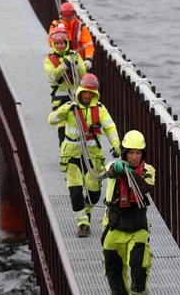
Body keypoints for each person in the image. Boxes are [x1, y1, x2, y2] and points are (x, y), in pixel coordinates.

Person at [47, 73, 121, 237]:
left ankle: (86, 210)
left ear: (95, 94)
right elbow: (51, 120)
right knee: (75, 191)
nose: (87, 95)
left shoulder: (100, 109)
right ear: (80, 91)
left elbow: (110, 127)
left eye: (91, 93)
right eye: (85, 92)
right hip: (72, 155)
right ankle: (83, 224)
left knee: (94, 194)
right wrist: (65, 109)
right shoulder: (70, 107)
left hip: (92, 156)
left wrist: (116, 144)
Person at [101, 130, 156, 295]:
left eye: (138, 153)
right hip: (114, 226)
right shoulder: (113, 166)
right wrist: (118, 168)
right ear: (124, 153)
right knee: (114, 273)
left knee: (139, 268)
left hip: (137, 228)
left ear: (143, 154)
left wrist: (130, 172)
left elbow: (145, 187)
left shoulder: (149, 171)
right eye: (130, 152)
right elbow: (109, 170)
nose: (134, 157)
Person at [44, 25, 86, 147]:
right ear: (53, 44)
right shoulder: (49, 60)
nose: (59, 46)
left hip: (75, 97)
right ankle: (64, 154)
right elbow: (53, 76)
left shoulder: (75, 56)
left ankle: (79, 153)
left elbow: (82, 74)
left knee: (78, 127)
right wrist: (66, 64)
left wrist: (76, 64)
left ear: (66, 43)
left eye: (61, 43)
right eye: (56, 43)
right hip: (59, 101)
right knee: (62, 129)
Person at [47, 2, 95, 71]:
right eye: (65, 14)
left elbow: (88, 45)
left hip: (77, 62)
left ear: (73, 14)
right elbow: (50, 42)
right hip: (60, 61)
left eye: (69, 14)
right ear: (61, 15)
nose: (67, 17)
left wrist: (88, 59)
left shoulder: (80, 27)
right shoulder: (55, 25)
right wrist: (58, 33)